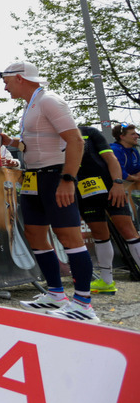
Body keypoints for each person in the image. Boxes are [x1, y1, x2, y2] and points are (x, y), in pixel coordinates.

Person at [0, 61, 97, 322]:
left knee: (68, 236)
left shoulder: (50, 100)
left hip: (55, 176)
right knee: (35, 234)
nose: (4, 85)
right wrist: (12, 142)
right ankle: (55, 293)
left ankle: (84, 304)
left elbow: (75, 140)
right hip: (33, 178)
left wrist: (68, 179)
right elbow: (37, 142)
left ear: (19, 78)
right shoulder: (32, 103)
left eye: (5, 79)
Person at [77, 124, 140, 292]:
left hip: (110, 186)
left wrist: (118, 183)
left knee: (128, 231)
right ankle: (106, 282)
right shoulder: (50, 136)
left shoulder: (88, 132)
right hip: (84, 189)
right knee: (99, 235)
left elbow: (111, 159)